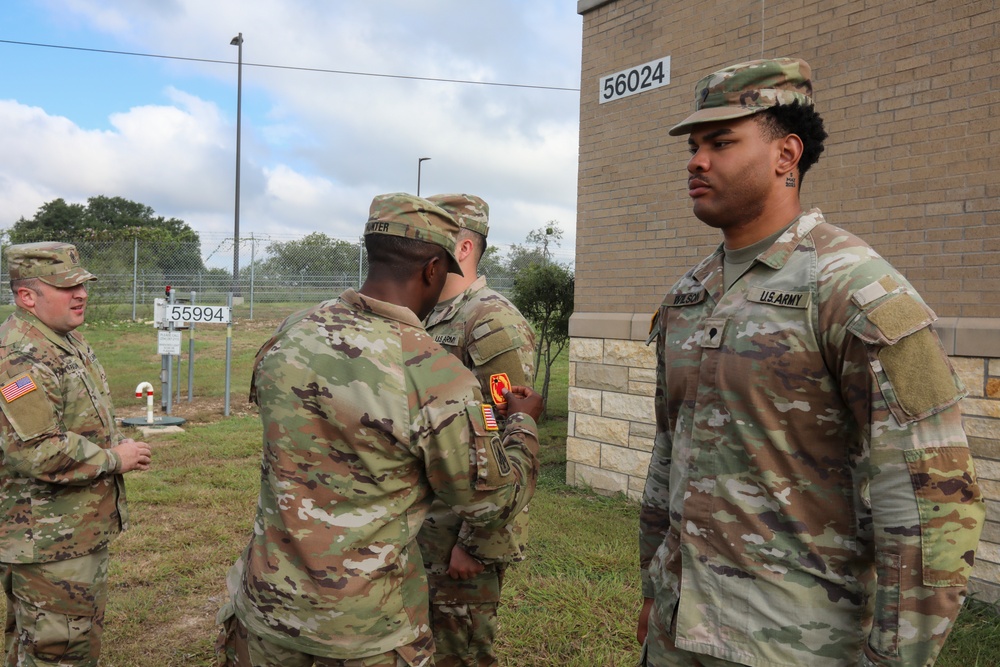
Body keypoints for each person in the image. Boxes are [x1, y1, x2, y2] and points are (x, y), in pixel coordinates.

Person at [638, 58, 985, 667]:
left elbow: (931, 497)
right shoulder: (688, 295)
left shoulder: (855, 289)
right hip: (677, 628)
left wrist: (898, 657)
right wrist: (652, 585)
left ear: (785, 155)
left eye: (721, 142)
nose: (696, 161)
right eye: (693, 147)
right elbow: (669, 457)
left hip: (793, 644)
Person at [216, 193, 543, 667]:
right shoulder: (433, 373)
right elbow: (494, 501)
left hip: (266, 609)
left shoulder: (292, 331)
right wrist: (524, 425)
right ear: (433, 269)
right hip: (365, 630)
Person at [0, 242, 152, 666]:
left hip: (66, 534)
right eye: (66, 287)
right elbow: (37, 450)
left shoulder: (60, 340)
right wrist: (114, 458)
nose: (81, 294)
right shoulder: (20, 358)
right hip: (48, 542)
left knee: (37, 645)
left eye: (82, 285)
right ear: (27, 295)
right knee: (60, 651)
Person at [417, 194, 536, 667]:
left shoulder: (490, 322)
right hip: (426, 523)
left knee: (459, 653)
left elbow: (508, 429)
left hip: (463, 532)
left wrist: (476, 542)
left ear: (463, 248)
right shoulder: (426, 315)